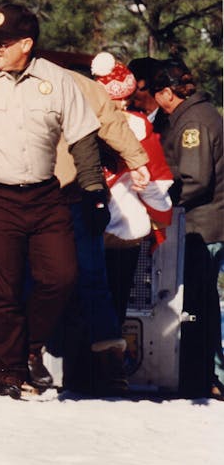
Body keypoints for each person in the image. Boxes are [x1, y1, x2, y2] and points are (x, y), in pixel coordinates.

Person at [0, 3, 107, 399]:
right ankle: (7, 372)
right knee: (3, 288)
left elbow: (83, 139)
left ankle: (28, 345)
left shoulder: (58, 81)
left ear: (27, 44)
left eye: (3, 43)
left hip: (45, 195)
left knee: (62, 275)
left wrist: (95, 191)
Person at [43, 52, 149, 395]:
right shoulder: (96, 98)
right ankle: (104, 365)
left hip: (57, 195)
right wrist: (137, 160)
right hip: (84, 198)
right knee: (91, 282)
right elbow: (113, 126)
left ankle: (44, 358)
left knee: (63, 281)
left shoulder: (46, 86)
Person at [90, 55, 173, 393]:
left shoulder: (83, 122)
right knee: (116, 300)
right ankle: (110, 373)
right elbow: (159, 186)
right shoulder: (140, 127)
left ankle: (85, 368)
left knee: (87, 297)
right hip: (126, 228)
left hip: (90, 225)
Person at [149, 60, 224, 399]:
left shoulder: (192, 121)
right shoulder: (199, 114)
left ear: (167, 92)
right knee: (202, 302)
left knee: (197, 303)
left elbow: (196, 179)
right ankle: (203, 375)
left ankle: (200, 377)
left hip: (202, 225)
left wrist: (161, 201)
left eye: (156, 93)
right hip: (205, 223)